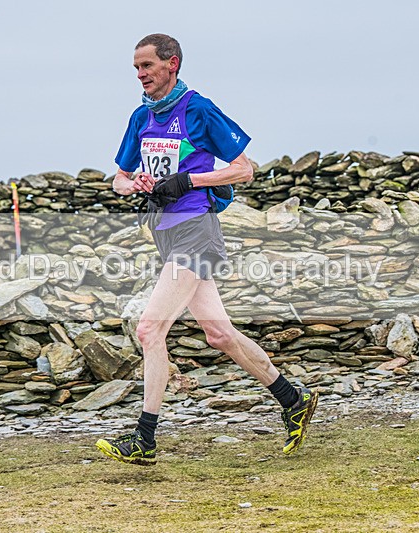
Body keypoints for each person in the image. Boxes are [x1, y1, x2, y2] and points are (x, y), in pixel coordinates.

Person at [95, 34, 318, 466]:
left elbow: (243, 170)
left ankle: (144, 438)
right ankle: (293, 400)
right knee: (219, 335)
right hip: (164, 231)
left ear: (172, 64)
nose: (140, 75)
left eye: (147, 66)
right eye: (136, 68)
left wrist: (188, 181)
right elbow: (118, 178)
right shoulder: (141, 117)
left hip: (197, 228)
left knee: (149, 330)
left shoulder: (197, 108)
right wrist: (135, 183)